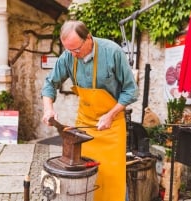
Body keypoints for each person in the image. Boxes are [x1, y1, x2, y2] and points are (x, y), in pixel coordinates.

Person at [41, 20, 138, 201]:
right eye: (68, 50)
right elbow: (49, 83)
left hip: (111, 126)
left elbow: (131, 91)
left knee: (111, 180)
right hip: (84, 127)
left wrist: (110, 115)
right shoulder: (69, 56)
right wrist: (48, 109)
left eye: (76, 49)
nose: (73, 55)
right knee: (83, 178)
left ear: (88, 38)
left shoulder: (112, 52)